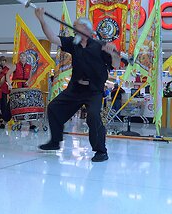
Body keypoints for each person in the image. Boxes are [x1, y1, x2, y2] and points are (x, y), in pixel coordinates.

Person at [35, 8, 120, 162]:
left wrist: (113, 53)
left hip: (93, 90)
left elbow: (116, 64)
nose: (73, 28)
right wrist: (42, 19)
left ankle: (101, 151)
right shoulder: (73, 43)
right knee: (54, 107)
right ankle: (55, 142)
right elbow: (53, 38)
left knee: (93, 117)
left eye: (76, 26)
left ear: (86, 29)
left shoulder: (100, 45)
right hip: (75, 88)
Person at [0, 56, 12, 128]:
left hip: (5, 89)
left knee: (4, 104)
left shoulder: (8, 70)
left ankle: (4, 117)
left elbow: (10, 78)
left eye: (3, 60)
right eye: (1, 60)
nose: (2, 62)